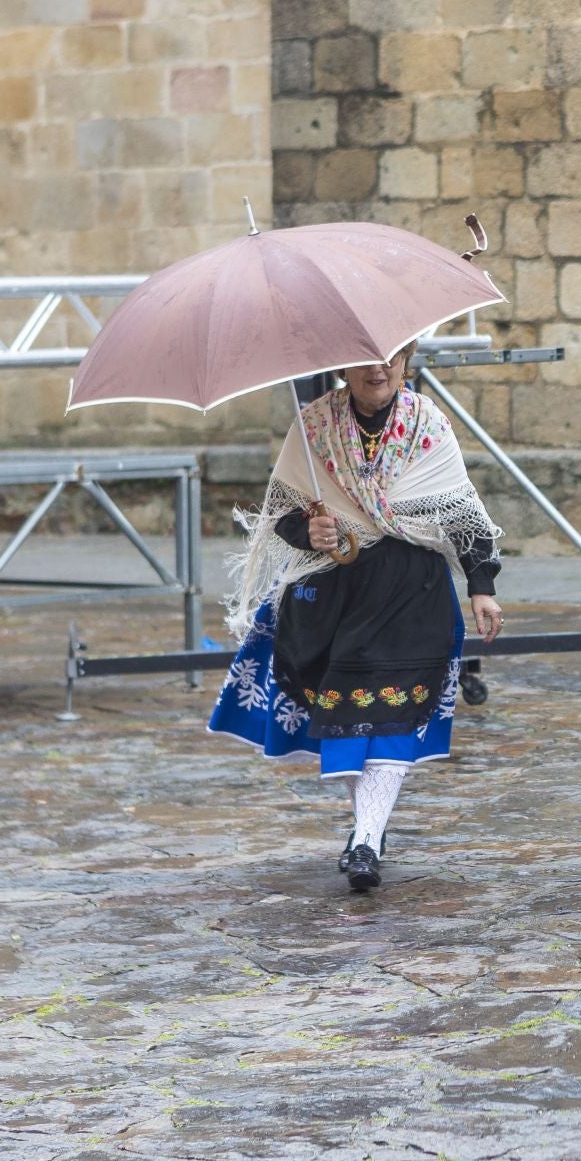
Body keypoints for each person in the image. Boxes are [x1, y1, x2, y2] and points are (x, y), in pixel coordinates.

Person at [208, 343, 504, 892]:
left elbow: (462, 511)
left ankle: (366, 837)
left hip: (411, 593)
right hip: (336, 596)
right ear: (341, 366)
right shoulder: (314, 424)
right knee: (346, 715)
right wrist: (310, 531)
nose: (378, 370)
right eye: (365, 361)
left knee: (391, 716)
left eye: (390, 359)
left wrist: (481, 588)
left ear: (406, 361)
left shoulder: (427, 425)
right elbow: (283, 514)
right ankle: (366, 829)